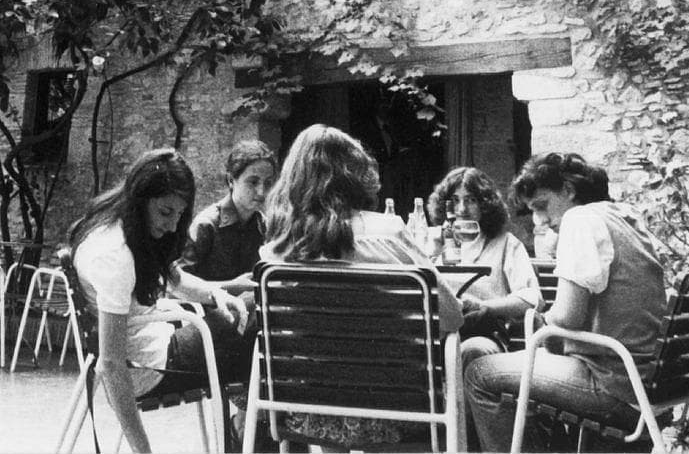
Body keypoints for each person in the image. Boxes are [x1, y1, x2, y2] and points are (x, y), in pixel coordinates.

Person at [260, 124, 462, 450]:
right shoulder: (388, 232)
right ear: (355, 174)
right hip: (395, 409)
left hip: (309, 409)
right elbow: (452, 318)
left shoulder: (276, 252)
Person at [464, 153, 667, 452]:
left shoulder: (580, 219)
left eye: (542, 206)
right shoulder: (625, 217)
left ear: (569, 191)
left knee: (480, 374)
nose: (540, 220)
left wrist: (544, 321)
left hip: (615, 383)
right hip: (651, 383)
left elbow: (568, 317)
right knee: (525, 367)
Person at [67, 148, 252, 454]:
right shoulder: (115, 256)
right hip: (150, 368)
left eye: (180, 215)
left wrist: (216, 295)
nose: (173, 226)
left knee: (256, 320)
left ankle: (249, 431)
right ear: (140, 199)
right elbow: (112, 365)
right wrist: (144, 451)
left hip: (155, 345)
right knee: (263, 318)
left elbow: (174, 278)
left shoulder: (113, 223)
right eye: (166, 212)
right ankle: (249, 433)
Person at [428, 166, 540, 346]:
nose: (462, 209)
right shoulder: (434, 242)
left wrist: (484, 307)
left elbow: (532, 298)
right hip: (435, 334)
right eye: (455, 200)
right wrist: (431, 254)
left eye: (471, 200)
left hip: (482, 333)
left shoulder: (505, 243)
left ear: (485, 204)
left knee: (473, 349)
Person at [178, 140, 276, 292]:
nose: (261, 191)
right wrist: (231, 286)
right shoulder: (206, 225)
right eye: (253, 182)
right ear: (231, 180)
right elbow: (178, 285)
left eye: (268, 183)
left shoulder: (265, 227)